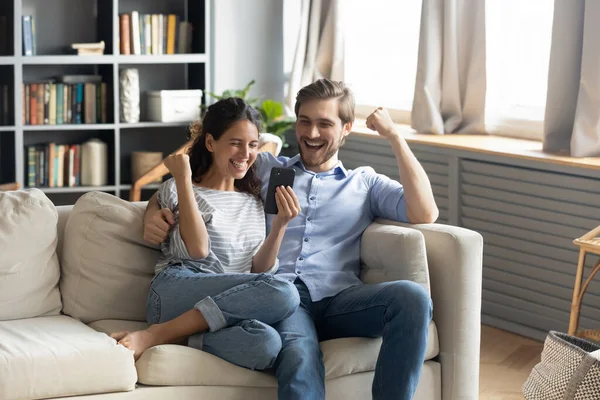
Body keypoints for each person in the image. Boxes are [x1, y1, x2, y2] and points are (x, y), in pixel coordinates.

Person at [142, 79, 439, 399]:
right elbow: (205, 167)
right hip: (282, 298)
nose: (311, 134)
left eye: (324, 124)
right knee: (300, 356)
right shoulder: (269, 169)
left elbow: (425, 212)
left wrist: (394, 136)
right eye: (304, 122)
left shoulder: (363, 183)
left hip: (340, 299)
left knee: (413, 298)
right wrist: (153, 209)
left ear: (346, 128)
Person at [111, 97, 302, 372]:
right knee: (284, 292)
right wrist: (184, 179)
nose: (245, 154)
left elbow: (257, 269)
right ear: (211, 143)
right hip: (174, 292)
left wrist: (281, 225)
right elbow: (197, 249)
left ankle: (181, 335)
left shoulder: (253, 202)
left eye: (252, 145)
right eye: (235, 143)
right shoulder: (178, 189)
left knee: (266, 344)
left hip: (217, 310)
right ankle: (154, 335)